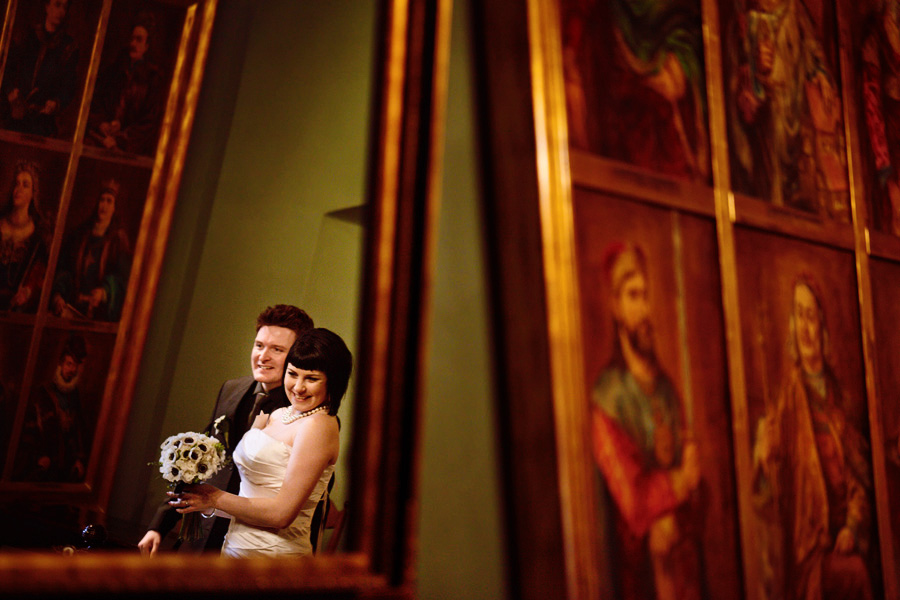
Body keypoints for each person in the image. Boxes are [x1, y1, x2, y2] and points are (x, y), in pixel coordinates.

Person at [137, 304, 314, 555]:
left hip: (257, 541)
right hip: (200, 535)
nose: (263, 356)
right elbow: (196, 461)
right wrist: (159, 526)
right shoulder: (232, 389)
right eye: (259, 345)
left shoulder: (306, 414)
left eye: (277, 349)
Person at [171, 327, 351, 558]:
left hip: (273, 557)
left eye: (311, 379)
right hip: (235, 547)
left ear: (333, 382)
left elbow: (281, 515)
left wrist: (215, 497)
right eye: (292, 374)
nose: (298, 387)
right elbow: (251, 501)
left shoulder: (319, 425)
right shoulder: (278, 415)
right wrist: (207, 504)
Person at [589, 242, 702, 600]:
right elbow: (634, 503)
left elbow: (694, 481)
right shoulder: (608, 398)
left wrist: (691, 477)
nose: (644, 308)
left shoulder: (666, 388)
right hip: (637, 576)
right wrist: (680, 481)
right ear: (615, 307)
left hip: (679, 567)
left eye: (646, 295)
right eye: (633, 296)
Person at [752, 275, 873, 600]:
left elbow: (860, 480)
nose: (805, 328)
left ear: (822, 325)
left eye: (810, 316)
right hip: (809, 552)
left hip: (845, 540)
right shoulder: (785, 404)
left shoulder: (841, 399)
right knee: (857, 575)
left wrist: (852, 526)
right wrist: (764, 460)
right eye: (798, 315)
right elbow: (769, 499)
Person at [51, 178, 132, 321]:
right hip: (72, 309)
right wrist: (58, 295)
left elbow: (123, 279)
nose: (104, 206)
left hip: (100, 315)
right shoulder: (80, 235)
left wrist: (105, 292)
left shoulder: (118, 240)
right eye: (102, 200)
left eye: (109, 201)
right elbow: (65, 269)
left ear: (114, 208)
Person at [86, 11, 165, 155]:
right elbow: (94, 102)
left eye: (139, 40)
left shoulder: (152, 79)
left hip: (129, 148)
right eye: (132, 39)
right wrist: (101, 124)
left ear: (147, 46)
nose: (133, 44)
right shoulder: (113, 71)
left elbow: (149, 122)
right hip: (100, 140)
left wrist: (120, 138)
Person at [14, 334, 89, 482]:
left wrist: (79, 459)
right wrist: (39, 456)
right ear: (60, 364)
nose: (72, 370)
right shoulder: (43, 393)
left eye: (75, 366)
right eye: (69, 364)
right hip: (44, 465)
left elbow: (78, 431)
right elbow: (30, 430)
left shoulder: (74, 396)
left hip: (66, 468)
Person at [0, 0, 79, 137]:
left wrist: (56, 102)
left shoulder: (68, 47)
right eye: (57, 5)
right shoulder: (27, 36)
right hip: (15, 114)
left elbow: (69, 85)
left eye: (64, 7)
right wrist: (10, 91)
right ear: (47, 7)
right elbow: (6, 68)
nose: (61, 11)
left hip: (43, 122)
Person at [0, 160, 50, 313]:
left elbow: (39, 274)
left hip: (16, 309)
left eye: (25, 185)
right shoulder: (1, 221)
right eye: (17, 183)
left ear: (33, 193)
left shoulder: (37, 236)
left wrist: (27, 292)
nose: (19, 189)